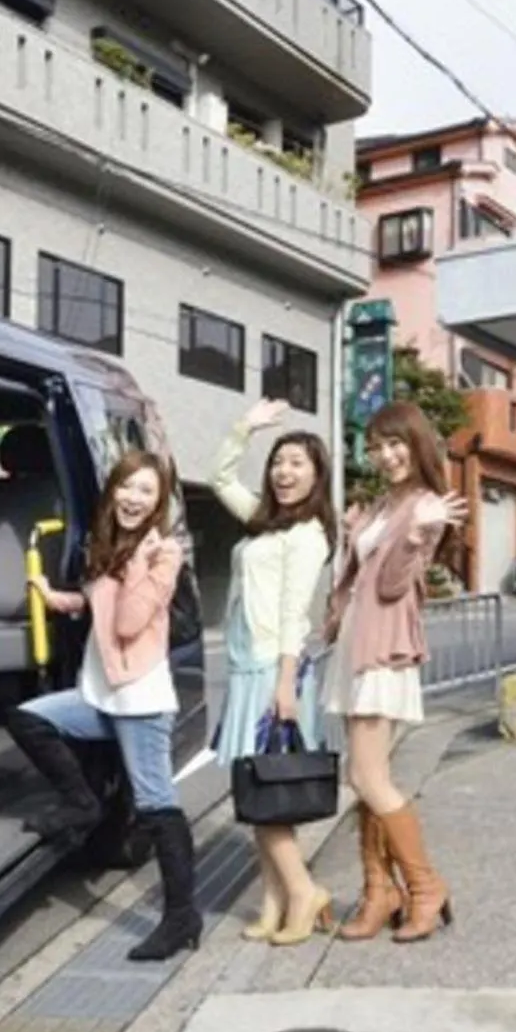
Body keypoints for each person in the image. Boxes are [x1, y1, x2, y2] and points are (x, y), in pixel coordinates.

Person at [5, 450, 199, 962]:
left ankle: (182, 918)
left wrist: (137, 561)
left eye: (146, 492)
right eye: (126, 487)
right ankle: (81, 803)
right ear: (112, 490)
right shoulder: (108, 542)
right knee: (29, 719)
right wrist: (56, 597)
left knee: (157, 805)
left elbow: (130, 621)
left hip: (140, 700)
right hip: (101, 693)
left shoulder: (162, 554)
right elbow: (100, 601)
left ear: (158, 504)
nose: (133, 498)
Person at [321, 401, 468, 944]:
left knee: (368, 778)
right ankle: (379, 893)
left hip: (381, 649)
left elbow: (392, 586)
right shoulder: (387, 502)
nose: (385, 455)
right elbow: (359, 580)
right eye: (377, 447)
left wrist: (414, 538)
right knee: (363, 777)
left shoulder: (425, 506)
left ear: (417, 443)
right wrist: (354, 535)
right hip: (358, 644)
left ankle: (425, 888)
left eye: (394, 443)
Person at [209, 398, 337, 946]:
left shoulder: (307, 535)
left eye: (297, 464)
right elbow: (219, 478)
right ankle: (272, 904)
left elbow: (293, 615)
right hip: (246, 666)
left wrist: (285, 683)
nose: (285, 472)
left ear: (317, 475)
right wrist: (246, 427)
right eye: (279, 462)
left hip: (271, 670)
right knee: (256, 792)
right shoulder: (265, 522)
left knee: (265, 797)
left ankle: (305, 894)